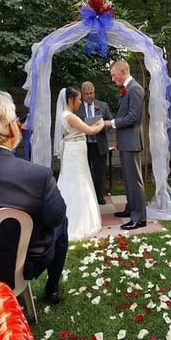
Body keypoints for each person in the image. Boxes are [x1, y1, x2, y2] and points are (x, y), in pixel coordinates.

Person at [0, 90, 68, 305]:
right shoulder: (37, 176)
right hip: (19, 268)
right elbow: (56, 217)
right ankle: (52, 287)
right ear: (12, 128)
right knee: (62, 224)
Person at [54, 87, 104, 240]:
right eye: (79, 99)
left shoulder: (66, 115)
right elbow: (90, 131)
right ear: (70, 100)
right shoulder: (70, 116)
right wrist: (101, 122)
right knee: (77, 183)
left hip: (75, 153)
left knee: (76, 181)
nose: (80, 101)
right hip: (75, 154)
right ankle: (77, 223)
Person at [104, 60, 147, 230]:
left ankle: (140, 217)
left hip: (132, 142)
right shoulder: (126, 89)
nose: (113, 79)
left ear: (123, 71)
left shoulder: (135, 89)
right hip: (125, 142)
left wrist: (110, 123)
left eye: (114, 75)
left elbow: (133, 117)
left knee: (135, 181)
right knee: (128, 181)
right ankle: (131, 209)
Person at [76, 81, 112, 205]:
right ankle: (87, 197)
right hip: (84, 145)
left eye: (92, 93)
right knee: (85, 172)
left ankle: (99, 196)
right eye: (87, 94)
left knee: (99, 172)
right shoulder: (77, 107)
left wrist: (100, 127)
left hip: (99, 144)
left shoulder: (103, 105)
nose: (90, 96)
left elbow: (109, 122)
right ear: (82, 94)